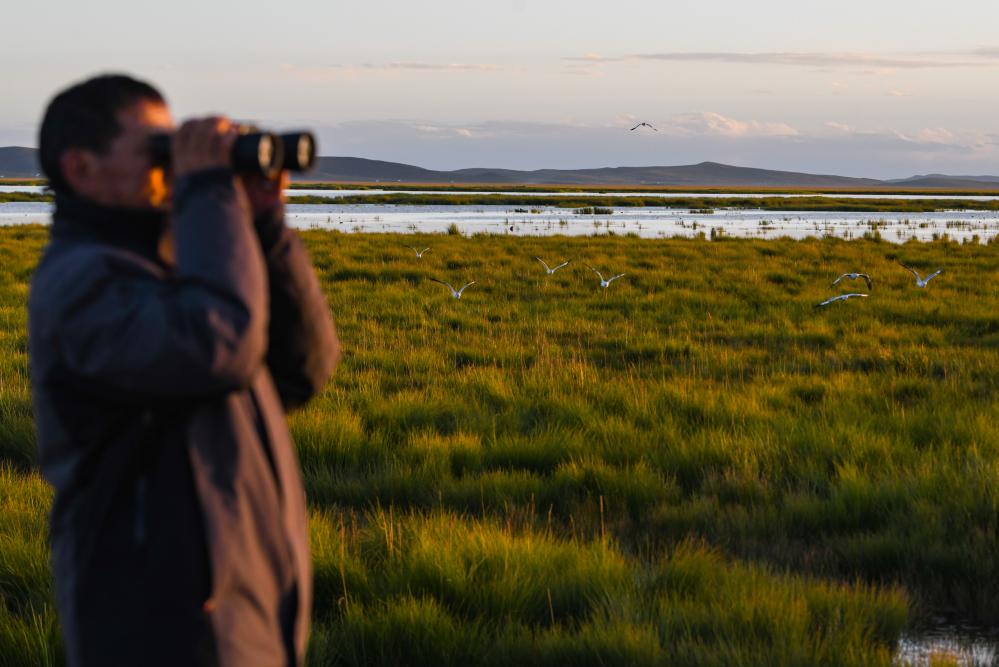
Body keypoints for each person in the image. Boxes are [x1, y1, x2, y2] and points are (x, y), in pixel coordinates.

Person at [27, 73, 340, 666]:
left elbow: (302, 371)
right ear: (81, 168)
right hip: (158, 629)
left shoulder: (175, 268)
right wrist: (207, 195)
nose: (170, 165)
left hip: (240, 616)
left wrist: (267, 226)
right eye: (155, 150)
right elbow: (217, 346)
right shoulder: (80, 286)